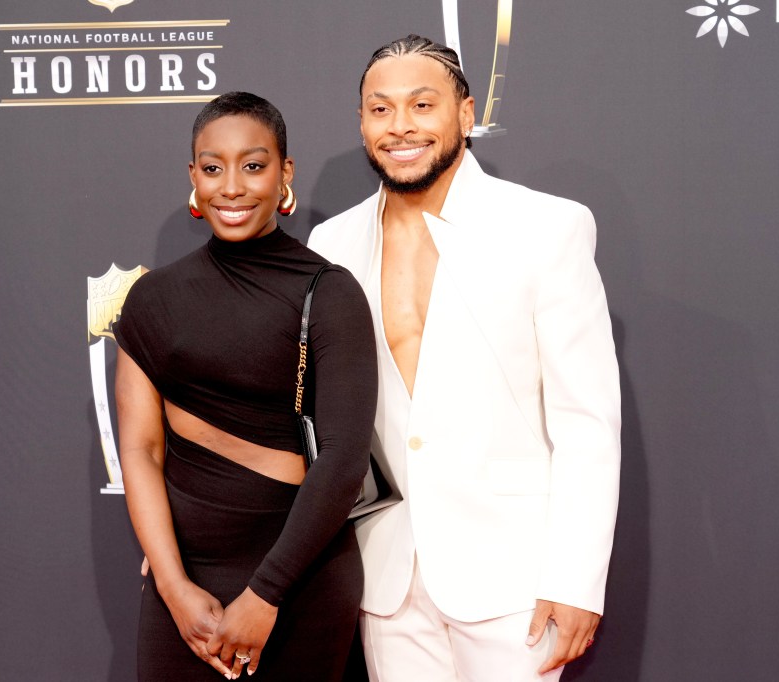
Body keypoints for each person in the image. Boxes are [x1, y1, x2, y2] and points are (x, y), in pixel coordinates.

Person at [307, 35, 621, 682]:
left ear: (466, 114)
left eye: (422, 105)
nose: (401, 126)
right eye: (381, 109)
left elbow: (587, 422)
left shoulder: (545, 227)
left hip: (515, 578)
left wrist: (576, 579)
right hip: (387, 574)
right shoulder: (331, 243)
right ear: (362, 122)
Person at [114, 91, 377, 681]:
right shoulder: (152, 298)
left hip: (300, 581)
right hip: (183, 584)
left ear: (285, 174)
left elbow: (342, 462)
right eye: (214, 168)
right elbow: (141, 449)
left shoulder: (329, 292)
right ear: (193, 177)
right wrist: (173, 586)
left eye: (253, 166)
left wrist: (265, 596)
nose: (231, 187)